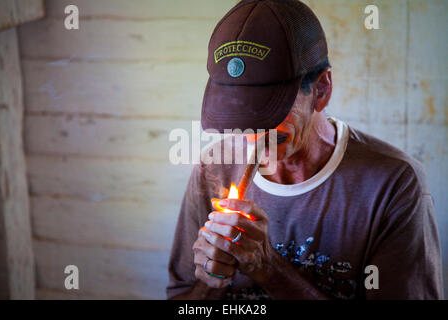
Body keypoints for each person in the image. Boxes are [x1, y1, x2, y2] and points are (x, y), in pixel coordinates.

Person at [166, 0, 443, 299]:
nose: (252, 133)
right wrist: (212, 278)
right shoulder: (213, 166)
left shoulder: (394, 183)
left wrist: (268, 268)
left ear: (321, 90)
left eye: (268, 112)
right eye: (238, 114)